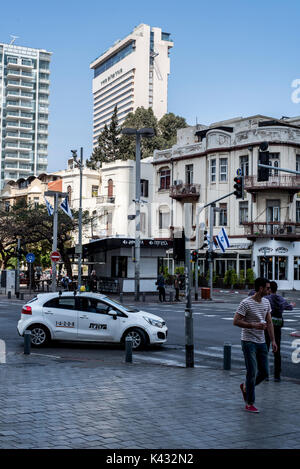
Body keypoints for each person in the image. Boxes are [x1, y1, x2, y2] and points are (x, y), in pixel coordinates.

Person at [233, 277, 277, 413]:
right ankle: (249, 403)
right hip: (248, 341)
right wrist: (252, 325)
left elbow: (269, 322)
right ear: (260, 288)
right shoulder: (245, 303)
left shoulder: (266, 302)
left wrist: (273, 341)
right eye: (267, 288)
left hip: (261, 341)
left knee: (264, 372)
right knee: (251, 371)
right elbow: (236, 321)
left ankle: (246, 386)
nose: (270, 290)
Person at [265, 281, 295, 382]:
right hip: (278, 326)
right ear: (276, 289)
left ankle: (265, 375)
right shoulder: (281, 299)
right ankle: (277, 376)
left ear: (269, 289)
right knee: (277, 350)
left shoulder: (266, 299)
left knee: (265, 349)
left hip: (268, 326)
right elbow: (289, 307)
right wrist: (291, 304)